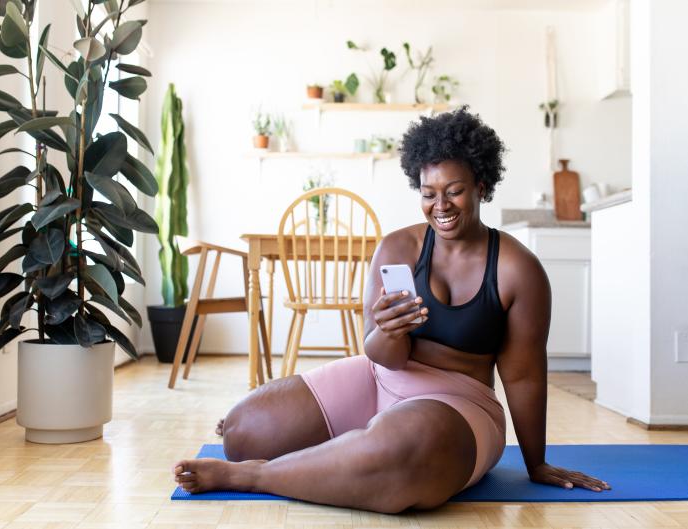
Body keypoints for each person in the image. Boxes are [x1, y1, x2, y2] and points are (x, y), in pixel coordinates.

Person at [173, 107, 610, 513]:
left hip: (458, 405)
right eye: (428, 193)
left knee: (404, 456)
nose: (441, 206)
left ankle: (256, 476)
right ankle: (356, 446)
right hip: (379, 377)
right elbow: (382, 356)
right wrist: (386, 331)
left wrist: (537, 464)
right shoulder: (397, 248)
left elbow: (523, 375)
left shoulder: (518, 270)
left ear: (481, 185)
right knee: (244, 432)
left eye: (454, 191)